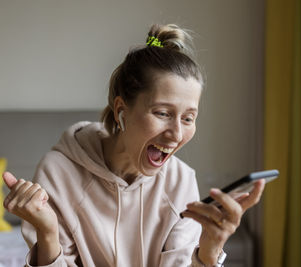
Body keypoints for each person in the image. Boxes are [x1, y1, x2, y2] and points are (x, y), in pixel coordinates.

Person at [2, 24, 265, 267]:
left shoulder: (181, 181)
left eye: (188, 118)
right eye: (162, 113)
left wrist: (208, 251)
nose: (176, 134)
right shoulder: (59, 172)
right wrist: (48, 233)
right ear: (121, 111)